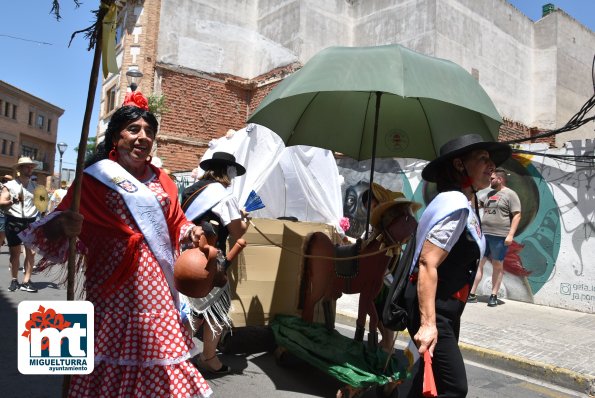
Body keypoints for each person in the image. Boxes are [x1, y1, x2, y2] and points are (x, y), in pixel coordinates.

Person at [19, 91, 214, 397]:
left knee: (159, 352)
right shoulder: (95, 177)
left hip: (158, 285)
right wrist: (64, 224)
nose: (142, 137)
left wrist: (190, 232)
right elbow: (54, 223)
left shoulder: (163, 179)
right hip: (111, 281)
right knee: (107, 351)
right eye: (133, 130)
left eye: (149, 132)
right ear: (115, 136)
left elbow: (176, 222)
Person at [403, 134, 511, 397]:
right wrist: (429, 324)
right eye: (482, 159)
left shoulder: (459, 202)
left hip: (448, 308)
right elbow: (428, 262)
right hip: (434, 309)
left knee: (427, 379)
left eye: (491, 160)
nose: (491, 165)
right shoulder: (453, 205)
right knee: (454, 387)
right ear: (460, 165)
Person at [180, 151, 250, 374]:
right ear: (227, 172)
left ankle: (178, 357)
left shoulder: (192, 190)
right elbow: (238, 232)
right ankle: (209, 357)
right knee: (217, 310)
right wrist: (245, 220)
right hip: (209, 259)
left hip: (183, 258)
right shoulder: (223, 195)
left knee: (187, 309)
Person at [361, 183, 421, 354]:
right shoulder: (382, 219)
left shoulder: (394, 215)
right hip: (382, 265)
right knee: (377, 304)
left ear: (379, 200)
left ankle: (388, 344)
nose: (371, 211)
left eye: (372, 206)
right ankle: (387, 341)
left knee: (381, 304)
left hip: (387, 265)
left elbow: (390, 241)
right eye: (369, 209)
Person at [468, 168, 521, 307]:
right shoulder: (489, 194)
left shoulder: (510, 194)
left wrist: (510, 234)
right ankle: (472, 294)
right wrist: (473, 189)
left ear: (500, 179)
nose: (489, 181)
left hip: (500, 236)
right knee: (479, 263)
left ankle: (493, 295)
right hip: (484, 235)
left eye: (492, 179)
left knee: (497, 265)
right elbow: (475, 205)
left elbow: (517, 215)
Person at [4, 157, 40, 293]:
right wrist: (11, 201)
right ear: (19, 169)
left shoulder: (36, 187)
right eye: (27, 166)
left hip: (30, 222)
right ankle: (14, 280)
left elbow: (41, 205)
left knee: (30, 253)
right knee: (15, 254)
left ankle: (26, 281)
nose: (30, 169)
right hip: (13, 220)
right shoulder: (10, 185)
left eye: (31, 167)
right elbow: (1, 201)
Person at [0, 175, 13, 248]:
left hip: (5, 214)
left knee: (2, 234)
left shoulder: (11, 189)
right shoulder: (2, 188)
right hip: (2, 215)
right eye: (5, 179)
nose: (7, 181)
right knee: (2, 234)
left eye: (9, 180)